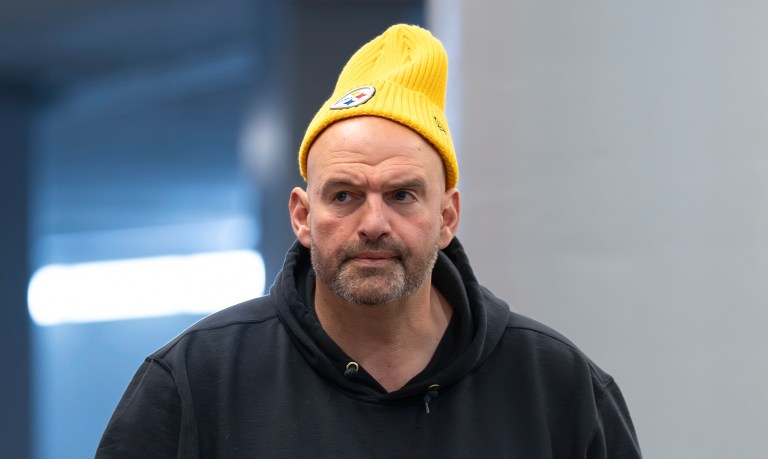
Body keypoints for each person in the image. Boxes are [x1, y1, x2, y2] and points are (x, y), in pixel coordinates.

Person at [96, 24, 642, 458]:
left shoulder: (557, 388)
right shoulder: (197, 382)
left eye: (402, 195)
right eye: (344, 195)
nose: (373, 222)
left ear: (447, 216)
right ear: (302, 216)